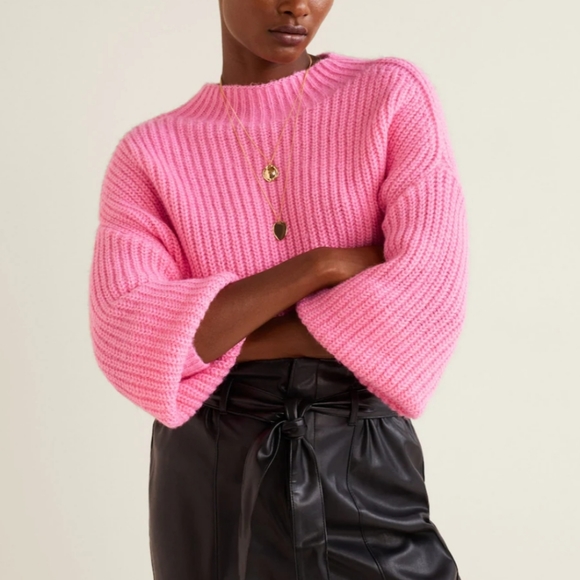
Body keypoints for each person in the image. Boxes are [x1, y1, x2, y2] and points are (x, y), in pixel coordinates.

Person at [89, 0, 468, 578]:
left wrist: (208, 340)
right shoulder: (150, 154)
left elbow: (423, 308)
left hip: (357, 453)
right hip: (209, 473)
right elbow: (128, 338)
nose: (298, 5)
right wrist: (319, 267)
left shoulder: (389, 96)